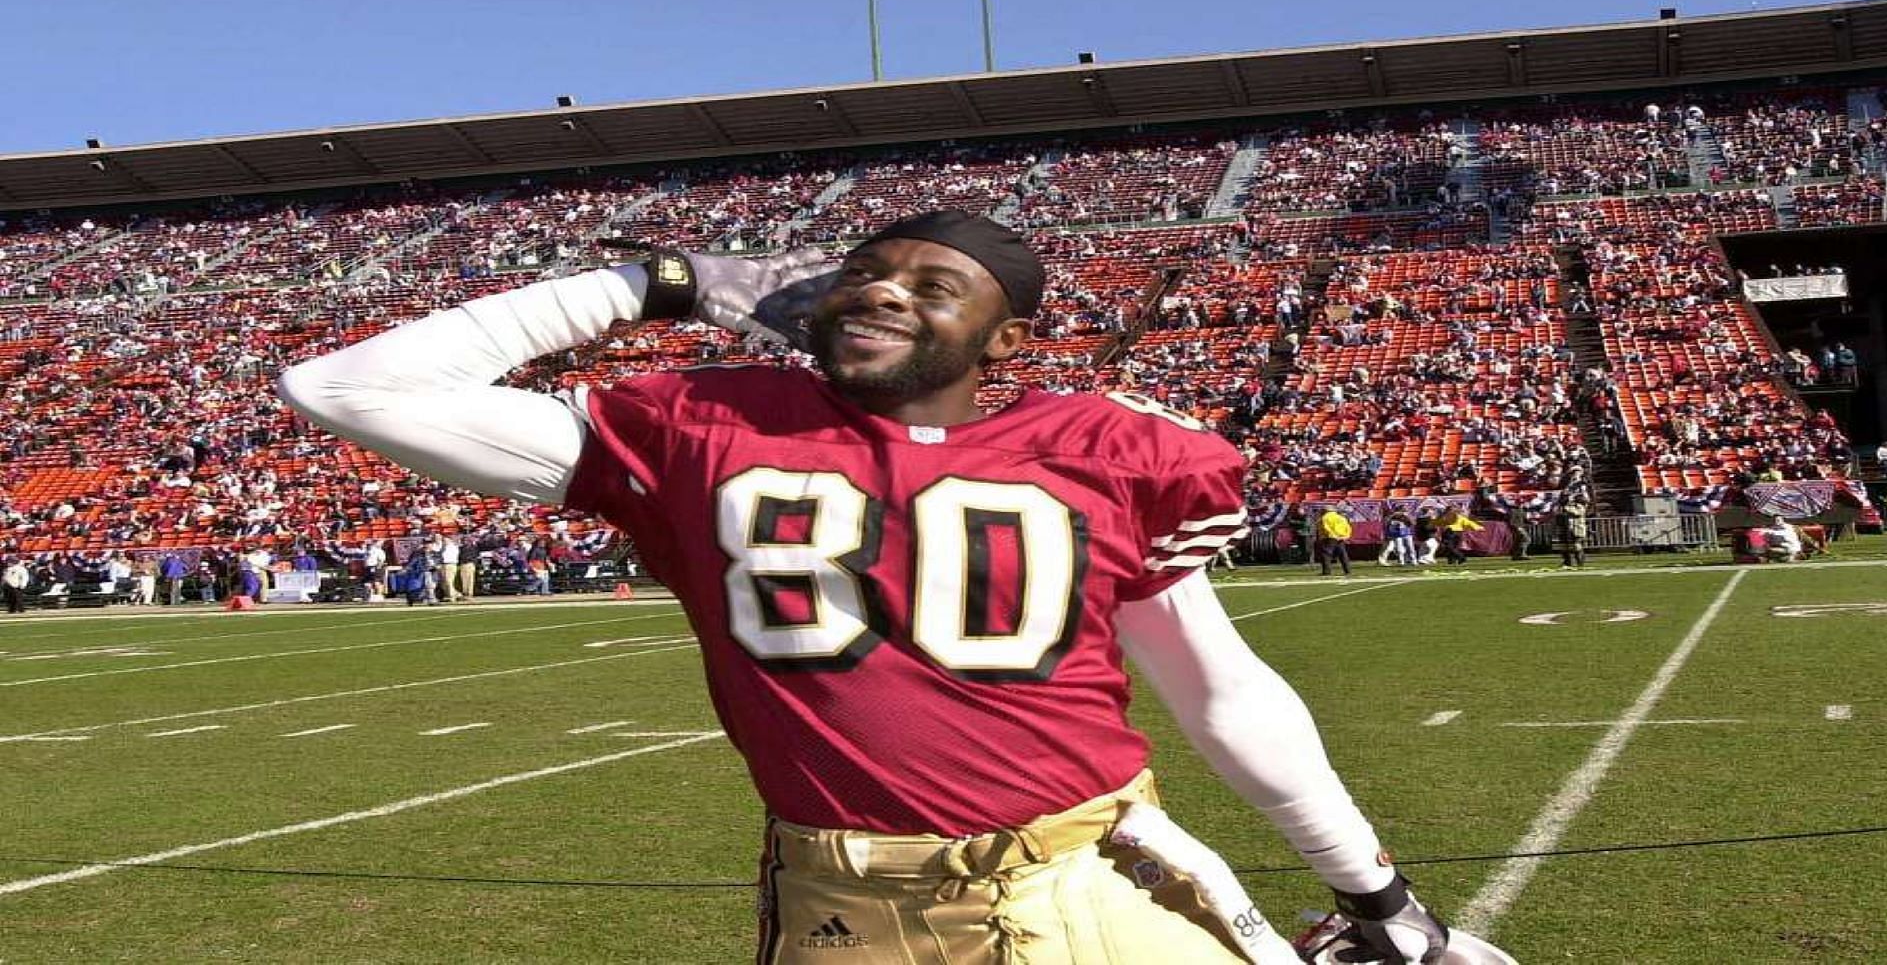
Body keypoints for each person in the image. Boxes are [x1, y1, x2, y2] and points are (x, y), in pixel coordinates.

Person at [279, 211, 1495, 963]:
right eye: (863, 273)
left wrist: (1375, 893)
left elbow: (1218, 689)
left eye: (932, 284)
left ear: (1003, 338)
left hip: (1089, 877)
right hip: (841, 904)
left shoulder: (1103, 450)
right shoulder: (711, 426)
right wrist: (655, 282)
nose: (882, 291)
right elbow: (345, 389)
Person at [1315, 507, 1354, 576]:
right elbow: (1348, 527)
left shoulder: (1325, 517)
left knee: (1326, 554)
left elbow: (1326, 527)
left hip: (1329, 538)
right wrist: (1346, 536)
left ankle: (1327, 571)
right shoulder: (1341, 517)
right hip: (1341, 537)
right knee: (1343, 554)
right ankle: (1348, 571)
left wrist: (1333, 535)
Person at [1557, 494, 1589, 569]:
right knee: (1564, 546)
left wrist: (1566, 507)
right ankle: (1567, 562)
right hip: (1567, 528)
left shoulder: (1580, 506)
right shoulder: (1563, 507)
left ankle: (1580, 562)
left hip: (1578, 528)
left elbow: (1576, 513)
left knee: (1576, 545)